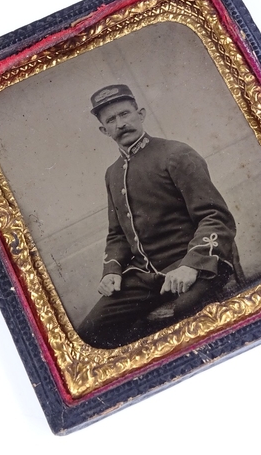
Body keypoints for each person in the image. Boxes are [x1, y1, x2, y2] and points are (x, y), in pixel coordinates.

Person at [77, 84, 238, 348]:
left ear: (140, 114)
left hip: (196, 266)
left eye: (125, 114)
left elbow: (214, 216)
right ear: (103, 130)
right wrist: (111, 271)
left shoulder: (175, 154)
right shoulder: (113, 173)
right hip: (146, 276)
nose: (121, 123)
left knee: (178, 321)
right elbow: (117, 234)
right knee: (90, 333)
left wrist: (191, 265)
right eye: (111, 120)